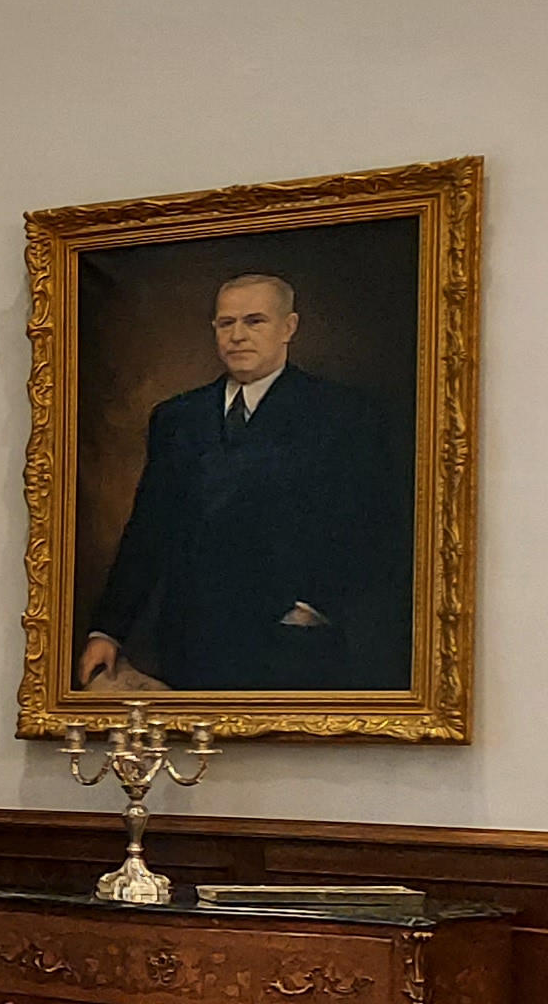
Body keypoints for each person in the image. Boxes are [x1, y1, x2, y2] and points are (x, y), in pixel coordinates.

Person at [78, 272, 406, 692]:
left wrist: (314, 607)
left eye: (254, 321)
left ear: (288, 327)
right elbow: (149, 529)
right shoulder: (178, 418)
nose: (237, 336)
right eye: (226, 323)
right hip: (189, 643)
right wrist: (108, 631)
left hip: (290, 649)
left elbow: (374, 529)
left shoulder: (343, 414)